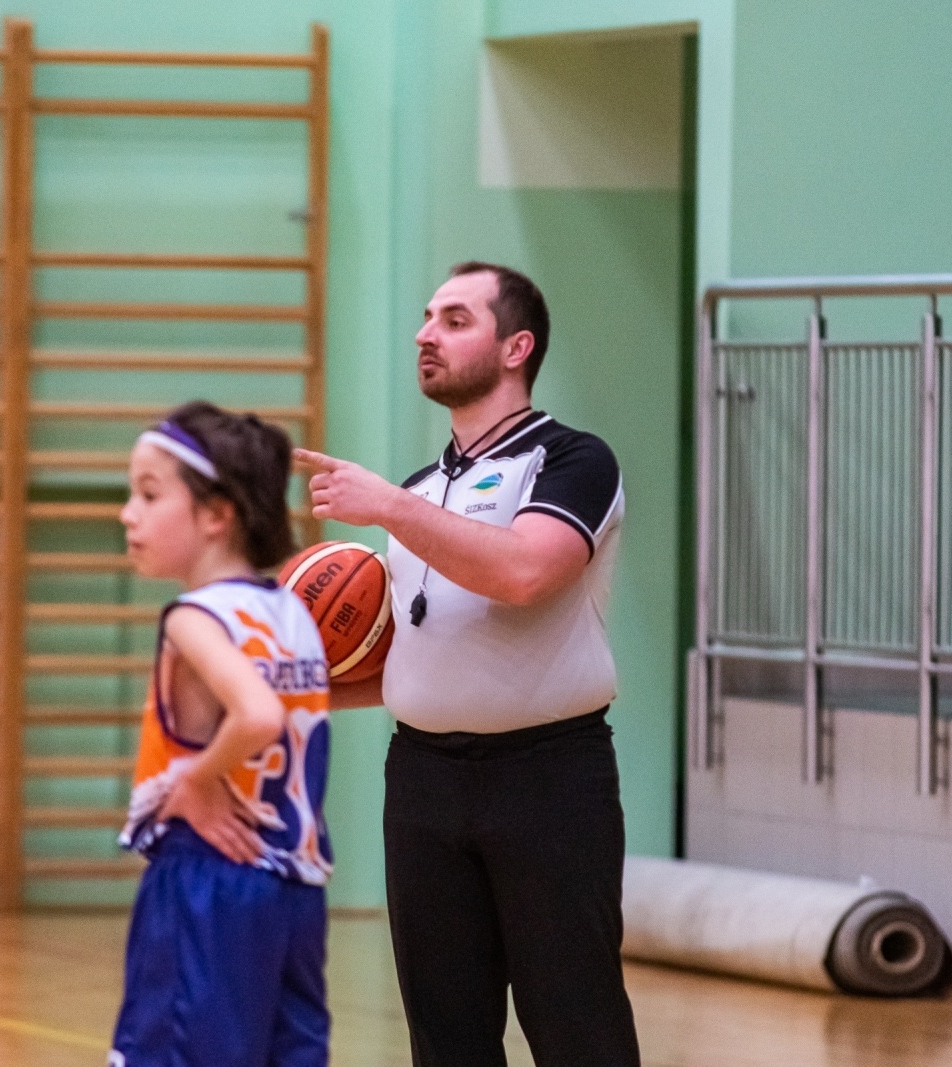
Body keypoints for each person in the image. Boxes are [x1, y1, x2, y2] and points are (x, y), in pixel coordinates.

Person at [297, 262, 641, 1067]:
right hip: (420, 781)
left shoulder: (572, 461)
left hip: (549, 780)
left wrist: (385, 506)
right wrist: (289, 689)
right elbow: (415, 661)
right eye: (426, 317)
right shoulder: (421, 490)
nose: (425, 333)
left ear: (516, 345)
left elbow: (523, 573)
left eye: (454, 319)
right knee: (445, 1035)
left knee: (575, 1024)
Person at [112, 402, 332, 1067]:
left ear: (216, 513)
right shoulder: (291, 610)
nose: (129, 512)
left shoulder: (194, 618)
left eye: (149, 493)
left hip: (207, 878)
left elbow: (258, 714)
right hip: (294, 885)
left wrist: (194, 777)